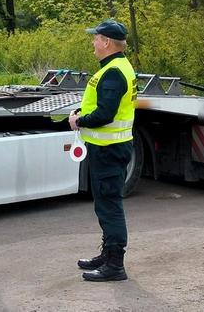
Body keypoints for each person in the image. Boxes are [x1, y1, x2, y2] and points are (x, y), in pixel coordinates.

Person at [69, 18, 137, 282]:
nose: (93, 42)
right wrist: (82, 113)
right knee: (105, 205)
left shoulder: (114, 72)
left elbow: (106, 114)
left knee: (110, 206)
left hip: (109, 149)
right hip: (106, 147)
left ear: (107, 42)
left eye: (96, 38)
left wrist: (79, 121)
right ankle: (108, 255)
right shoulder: (116, 67)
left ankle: (115, 266)